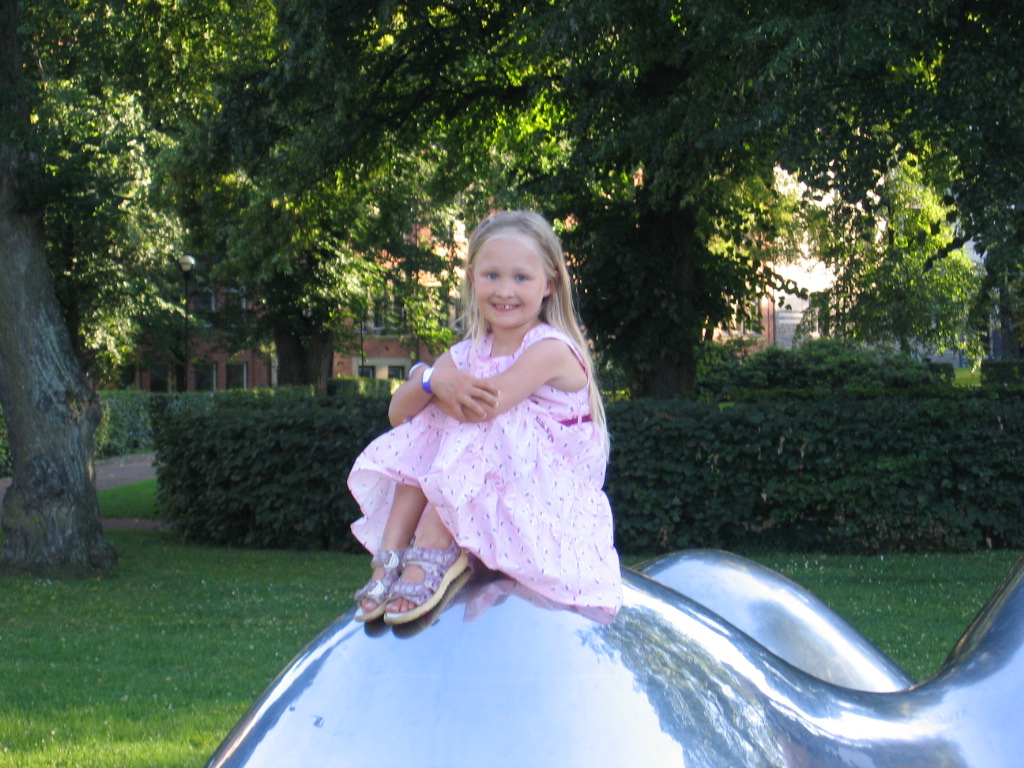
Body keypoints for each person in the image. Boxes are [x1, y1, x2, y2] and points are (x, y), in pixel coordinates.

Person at [347, 210, 622, 625]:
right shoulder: (467, 354)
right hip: (496, 489)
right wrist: (431, 380)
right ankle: (391, 555)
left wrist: (435, 386)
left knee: (475, 413)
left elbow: (487, 407)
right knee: (427, 420)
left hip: (549, 502)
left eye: (521, 277)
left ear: (549, 283)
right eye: (492, 276)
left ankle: (434, 541)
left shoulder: (551, 349)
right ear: (473, 278)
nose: (505, 290)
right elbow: (397, 413)